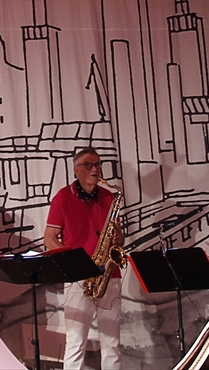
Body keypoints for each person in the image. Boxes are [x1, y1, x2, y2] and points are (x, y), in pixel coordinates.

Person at [44, 147, 123, 370]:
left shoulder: (109, 197)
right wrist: (75, 263)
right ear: (76, 170)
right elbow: (49, 238)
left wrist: (119, 237)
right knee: (76, 342)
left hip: (109, 276)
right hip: (78, 278)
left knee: (112, 344)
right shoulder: (63, 197)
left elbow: (118, 238)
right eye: (89, 165)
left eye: (98, 164)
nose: (95, 169)